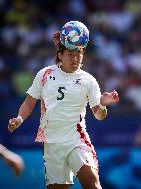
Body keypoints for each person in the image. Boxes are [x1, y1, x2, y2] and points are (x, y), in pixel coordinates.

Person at [7, 21, 119, 189]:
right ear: (60, 55)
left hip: (76, 140)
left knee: (92, 183)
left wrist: (102, 105)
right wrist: (19, 118)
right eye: (70, 54)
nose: (75, 59)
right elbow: (29, 102)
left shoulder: (89, 80)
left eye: (79, 54)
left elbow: (98, 115)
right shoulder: (45, 75)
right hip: (52, 143)